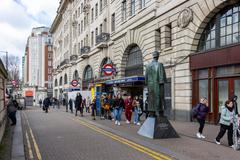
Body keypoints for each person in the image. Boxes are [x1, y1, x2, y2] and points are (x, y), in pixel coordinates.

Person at [145, 51, 167, 117]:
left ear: (153, 56)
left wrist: (148, 84)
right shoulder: (159, 64)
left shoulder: (148, 65)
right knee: (159, 97)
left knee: (151, 99)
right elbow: (162, 77)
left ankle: (152, 113)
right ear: (158, 56)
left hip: (150, 86)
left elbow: (146, 78)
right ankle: (161, 113)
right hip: (158, 85)